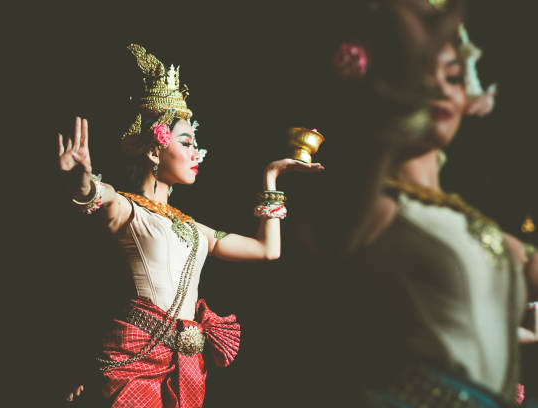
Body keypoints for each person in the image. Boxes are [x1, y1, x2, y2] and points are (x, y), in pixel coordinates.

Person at [56, 43, 324, 407]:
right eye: (186, 141)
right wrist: (81, 182)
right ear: (154, 151)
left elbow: (268, 250)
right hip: (133, 361)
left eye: (196, 143)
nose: (197, 152)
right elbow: (96, 196)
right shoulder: (128, 210)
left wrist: (271, 178)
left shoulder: (198, 231)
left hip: (183, 369)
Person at [341, 18, 538, 406]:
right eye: (419, 75)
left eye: (453, 77)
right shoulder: (372, 207)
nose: (441, 90)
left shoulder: (483, 230)